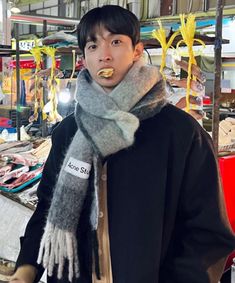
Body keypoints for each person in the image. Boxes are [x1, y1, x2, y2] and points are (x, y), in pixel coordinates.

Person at [10, 5, 235, 283]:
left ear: (137, 51)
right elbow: (47, 206)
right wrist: (27, 267)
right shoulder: (69, 131)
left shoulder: (180, 132)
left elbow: (205, 232)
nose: (104, 55)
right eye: (93, 46)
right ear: (84, 58)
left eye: (116, 42)